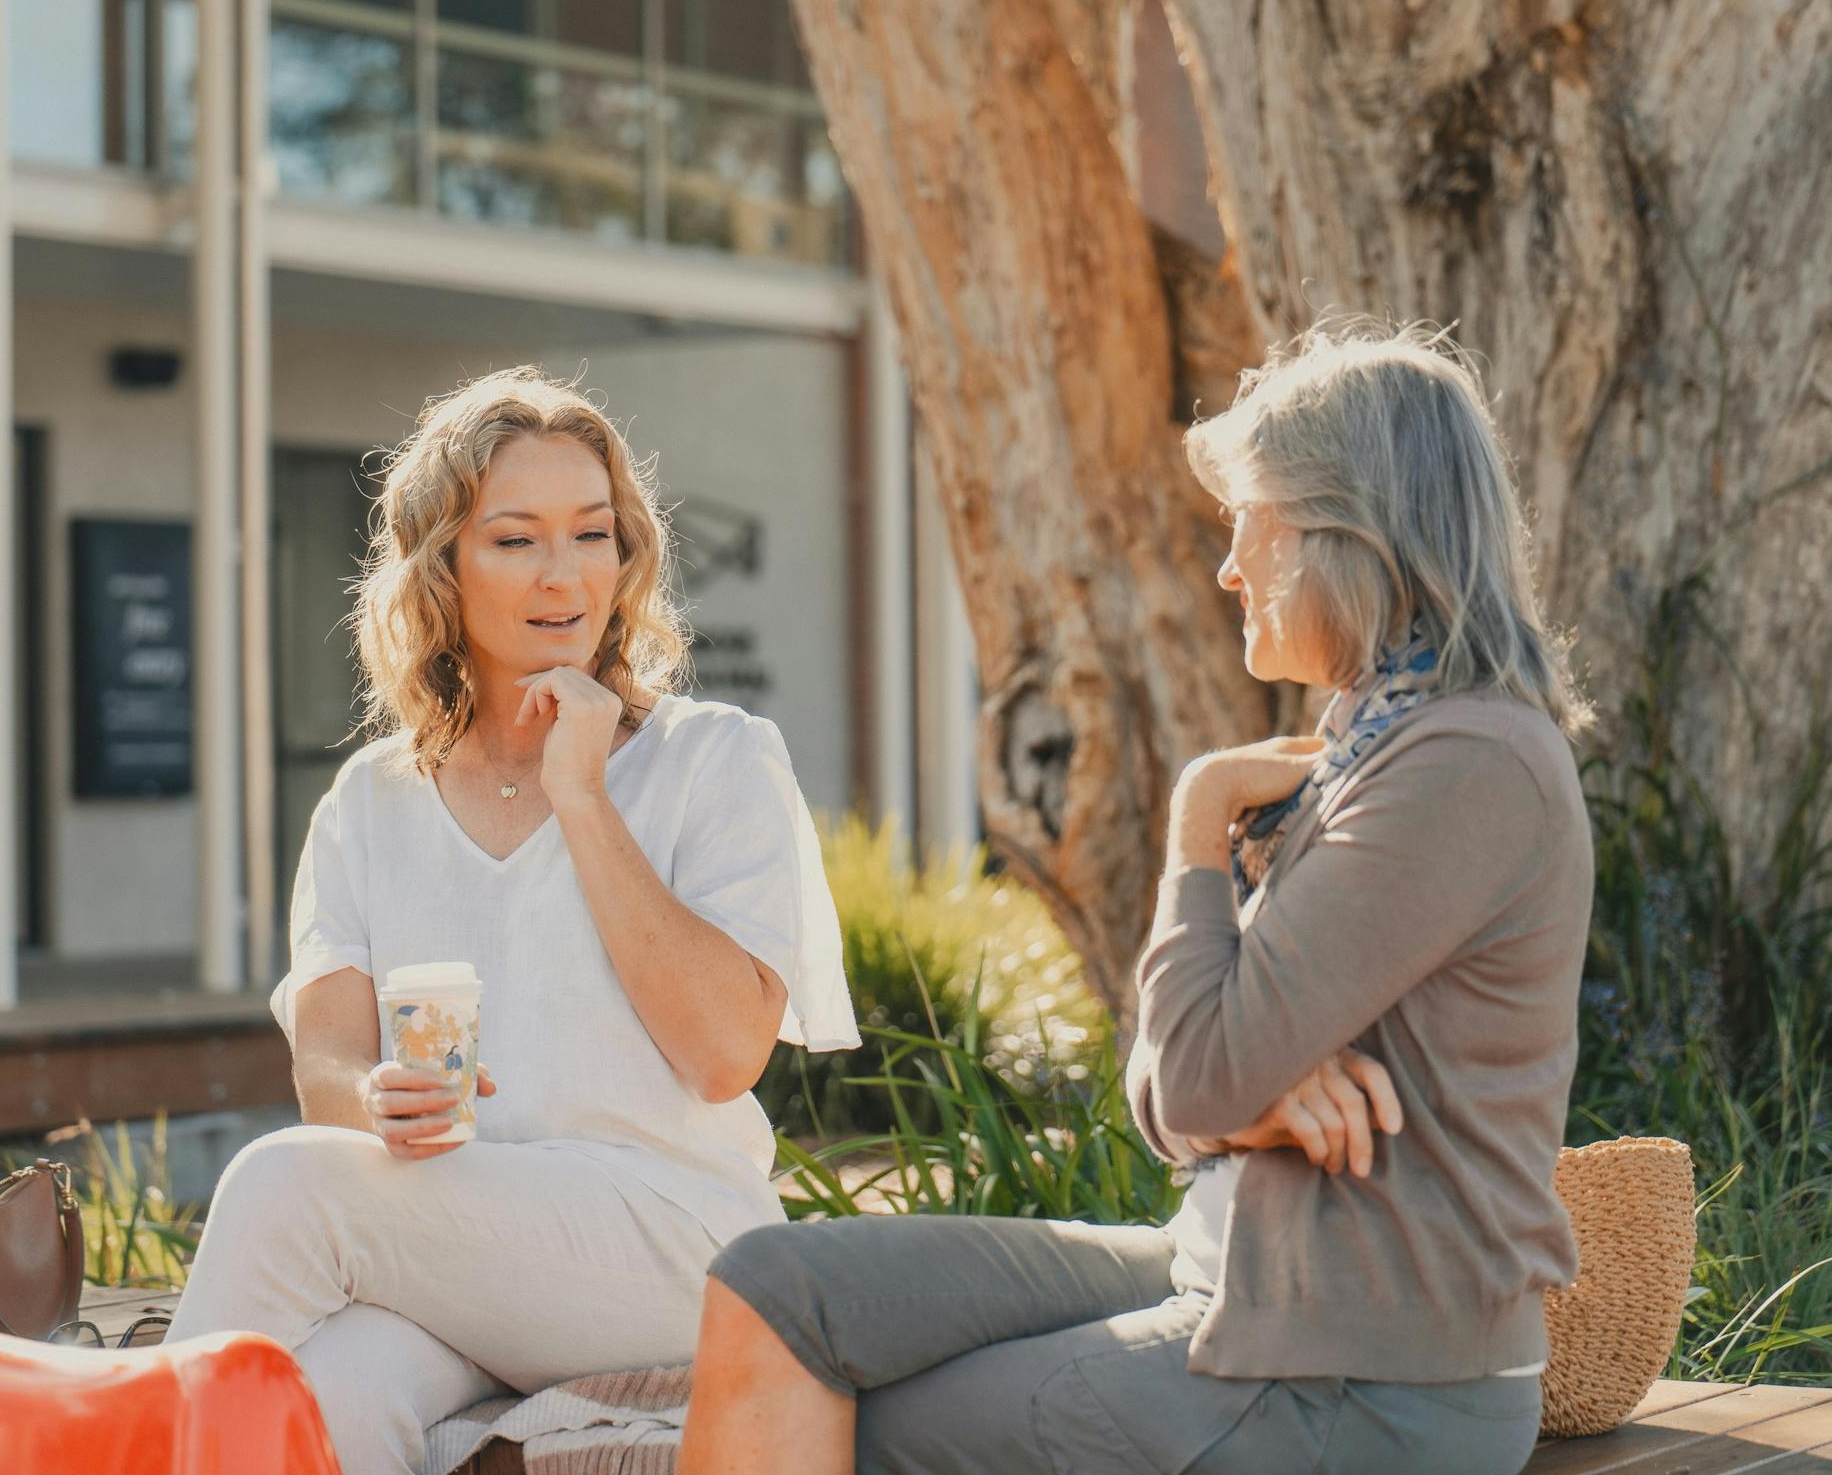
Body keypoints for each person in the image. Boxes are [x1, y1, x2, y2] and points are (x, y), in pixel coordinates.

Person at [678, 322, 1596, 1475]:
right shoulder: (1376, 741)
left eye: (1246, 523)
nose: (1228, 566)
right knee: (776, 1285)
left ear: (1338, 533)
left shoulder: (1463, 766)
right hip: (1237, 1270)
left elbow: (1190, 1077)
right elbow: (1186, 1083)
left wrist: (1197, 812)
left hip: (1356, 1379)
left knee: (850, 1431)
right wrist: (1244, 1094)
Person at [165, 367, 859, 1474]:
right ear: (440, 567)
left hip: (676, 1250)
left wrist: (583, 795)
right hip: (459, 1245)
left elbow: (726, 1054)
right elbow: (326, 1074)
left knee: (280, 1182)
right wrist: (374, 1101)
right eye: (514, 540)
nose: (563, 577)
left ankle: (100, 1442)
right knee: (321, 1402)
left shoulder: (713, 758)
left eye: (592, 535)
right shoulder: (370, 801)